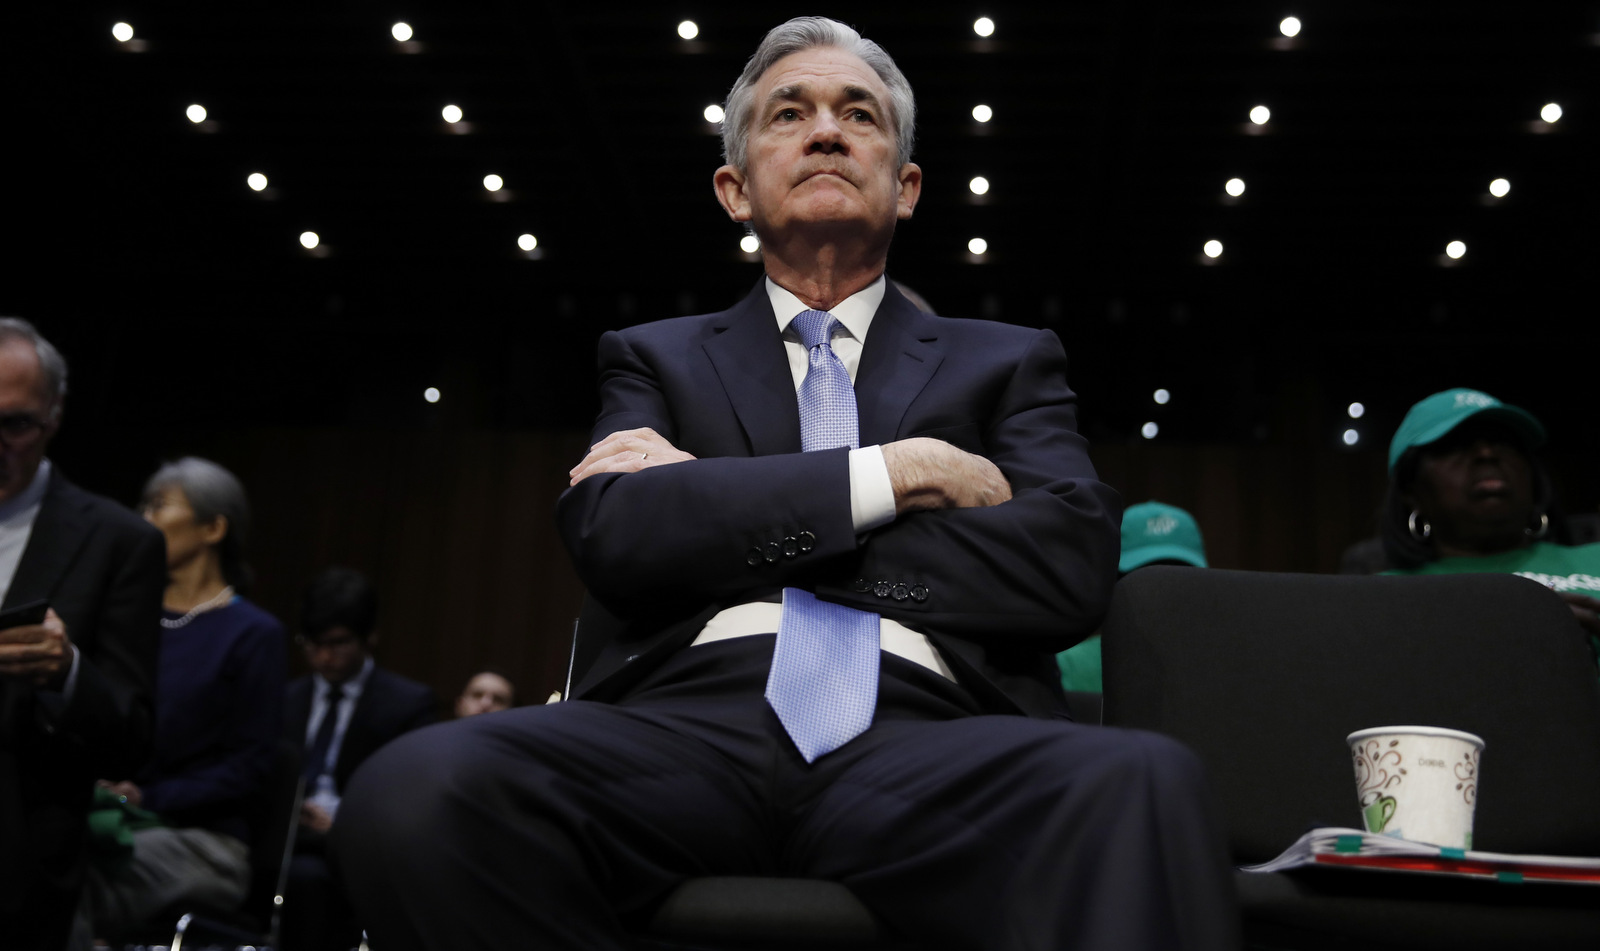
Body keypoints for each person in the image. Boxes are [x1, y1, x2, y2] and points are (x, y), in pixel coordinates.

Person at [334, 18, 1237, 951]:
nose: (827, 131)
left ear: (908, 185)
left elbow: (1064, 565)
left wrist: (725, 509)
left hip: (931, 735)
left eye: (859, 114)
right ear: (734, 189)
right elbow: (620, 534)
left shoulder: (1006, 362)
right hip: (678, 729)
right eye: (789, 113)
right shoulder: (655, 357)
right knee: (414, 793)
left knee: (1144, 783)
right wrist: (901, 472)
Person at [0, 318, 167, 951]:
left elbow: (132, 736)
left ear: (56, 414)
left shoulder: (118, 541)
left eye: (14, 425)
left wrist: (67, 673)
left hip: (18, 864)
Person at [73, 458, 287, 946]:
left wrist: (148, 797)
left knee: (69, 876)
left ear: (213, 527)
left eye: (158, 506)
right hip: (107, 819)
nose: (141, 518)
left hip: (203, 842)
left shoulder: (253, 635)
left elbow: (250, 765)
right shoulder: (127, 618)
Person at [1383, 388, 1600, 664]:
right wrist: (1492, 632)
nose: (1487, 453)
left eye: (1505, 443)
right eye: (1455, 444)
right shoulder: (1380, 599)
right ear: (1410, 490)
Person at [282, 566, 436, 951]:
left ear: (370, 637)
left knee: (307, 880)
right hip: (282, 838)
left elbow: (408, 802)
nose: (322, 655)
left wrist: (338, 824)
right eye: (311, 642)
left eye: (336, 643)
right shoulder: (284, 699)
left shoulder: (406, 705)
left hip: (350, 848)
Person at [1057, 500, 1209, 694]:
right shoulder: (1068, 668)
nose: (1165, 593)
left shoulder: (1227, 666)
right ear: (1111, 580)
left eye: (1181, 577)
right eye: (1145, 579)